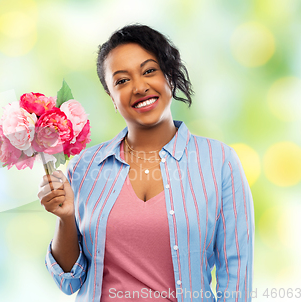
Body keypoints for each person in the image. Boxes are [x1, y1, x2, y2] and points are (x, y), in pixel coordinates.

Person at [38, 23, 254, 302]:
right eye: (122, 80)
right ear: (112, 98)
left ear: (170, 77)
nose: (139, 87)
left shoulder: (219, 161)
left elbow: (236, 277)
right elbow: (69, 280)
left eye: (149, 70)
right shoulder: (84, 167)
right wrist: (66, 218)